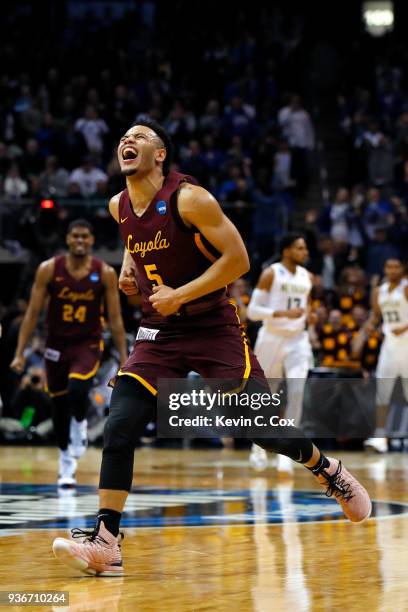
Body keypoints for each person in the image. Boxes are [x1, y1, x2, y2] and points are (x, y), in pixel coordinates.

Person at [52, 119, 371, 577]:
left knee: (259, 427)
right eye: (124, 136)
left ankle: (328, 470)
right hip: (159, 331)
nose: (128, 140)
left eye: (140, 137)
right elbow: (134, 239)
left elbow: (238, 259)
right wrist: (128, 268)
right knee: (121, 421)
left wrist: (181, 293)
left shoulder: (190, 198)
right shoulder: (118, 205)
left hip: (213, 328)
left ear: (160, 154)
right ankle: (107, 539)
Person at [10, 219, 127, 486]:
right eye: (75, 236)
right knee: (58, 406)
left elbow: (116, 319)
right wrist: (20, 353)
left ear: (92, 240)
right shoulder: (49, 270)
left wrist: (123, 358)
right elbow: (32, 314)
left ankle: (80, 423)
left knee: (77, 390)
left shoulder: (105, 272)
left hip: (87, 342)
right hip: (56, 344)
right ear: (67, 239)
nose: (80, 240)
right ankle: (66, 462)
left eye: (85, 236)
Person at [247, 234, 313, 474]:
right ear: (286, 250)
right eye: (300, 248)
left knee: (296, 393)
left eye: (305, 248)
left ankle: (289, 451)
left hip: (297, 339)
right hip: (272, 338)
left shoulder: (307, 277)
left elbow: (306, 308)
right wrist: (283, 314)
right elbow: (252, 312)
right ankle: (258, 446)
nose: (305, 252)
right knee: (266, 396)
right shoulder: (271, 273)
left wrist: (310, 319)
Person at [364, 258, 408, 453]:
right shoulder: (379, 291)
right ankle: (379, 437)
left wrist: (405, 326)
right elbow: (376, 315)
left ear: (402, 269)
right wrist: (369, 326)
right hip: (389, 345)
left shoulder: (406, 287)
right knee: (382, 391)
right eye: (389, 267)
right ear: (384, 269)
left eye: (396, 266)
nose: (392, 270)